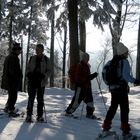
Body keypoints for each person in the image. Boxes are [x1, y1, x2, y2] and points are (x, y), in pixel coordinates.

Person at [102, 42, 140, 139]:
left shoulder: (111, 62)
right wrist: (135, 81)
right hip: (121, 90)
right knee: (124, 109)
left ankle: (106, 127)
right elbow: (126, 76)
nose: (127, 54)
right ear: (123, 53)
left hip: (113, 89)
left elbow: (104, 73)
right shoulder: (124, 62)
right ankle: (126, 131)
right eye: (127, 52)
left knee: (113, 108)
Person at [65, 52, 98, 118]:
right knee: (76, 101)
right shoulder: (79, 66)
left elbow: (87, 77)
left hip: (87, 87)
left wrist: (92, 76)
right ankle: (68, 112)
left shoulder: (86, 66)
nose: (88, 59)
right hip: (80, 87)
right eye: (87, 58)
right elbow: (78, 78)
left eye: (88, 58)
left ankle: (89, 114)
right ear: (83, 58)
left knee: (90, 100)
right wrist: (90, 77)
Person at [26, 44, 51, 122]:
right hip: (32, 81)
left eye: (39, 49)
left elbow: (49, 71)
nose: (37, 51)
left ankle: (39, 116)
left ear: (42, 50)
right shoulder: (32, 58)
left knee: (40, 100)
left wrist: (44, 76)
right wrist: (28, 75)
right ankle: (29, 115)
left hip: (41, 82)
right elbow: (27, 68)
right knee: (31, 98)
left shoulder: (46, 59)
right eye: (36, 49)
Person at [1, 42, 22, 116]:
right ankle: (11, 109)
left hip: (9, 80)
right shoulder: (13, 58)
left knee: (11, 95)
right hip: (12, 81)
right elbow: (12, 71)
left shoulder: (10, 56)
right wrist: (16, 78)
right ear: (15, 50)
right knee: (13, 96)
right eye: (19, 50)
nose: (20, 51)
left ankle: (8, 107)